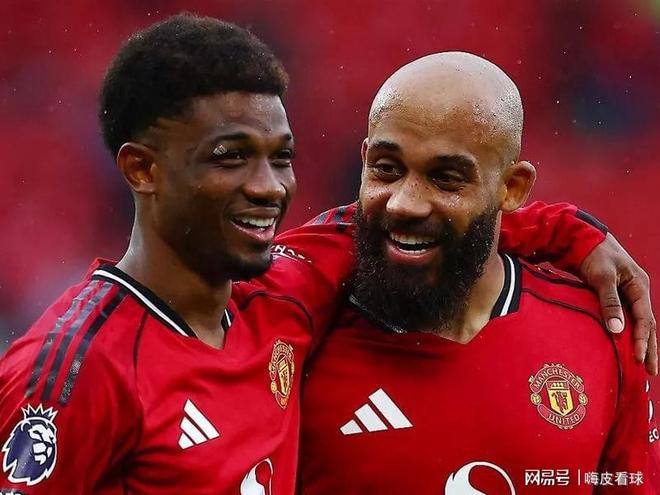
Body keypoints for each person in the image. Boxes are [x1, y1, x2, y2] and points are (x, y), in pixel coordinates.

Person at [0, 14, 654, 495]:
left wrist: (569, 230)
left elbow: (409, 224)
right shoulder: (77, 369)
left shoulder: (290, 301)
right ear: (142, 170)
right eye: (230, 157)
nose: (267, 187)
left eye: (280, 158)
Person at [298, 52, 660, 494]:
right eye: (386, 170)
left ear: (512, 188)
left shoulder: (602, 334)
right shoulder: (299, 339)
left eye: (447, 178)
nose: (405, 203)